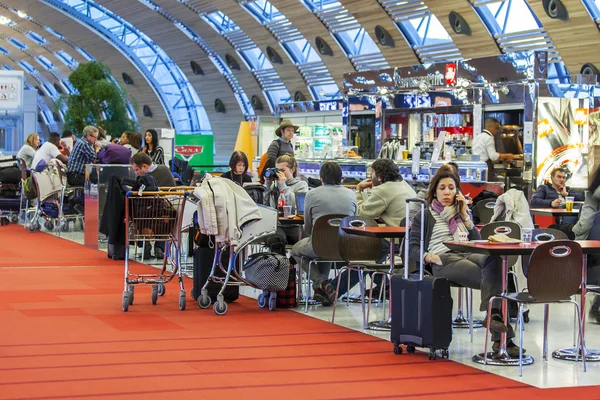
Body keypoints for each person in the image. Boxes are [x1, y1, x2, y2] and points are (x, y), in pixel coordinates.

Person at [410, 168, 522, 356]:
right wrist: (430, 257)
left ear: (458, 192)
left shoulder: (461, 212)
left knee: (494, 261)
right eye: (442, 188)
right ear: (434, 191)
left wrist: (466, 217)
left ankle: (493, 316)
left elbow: (476, 241)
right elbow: (412, 247)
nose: (447, 192)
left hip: (467, 252)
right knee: (495, 279)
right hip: (444, 258)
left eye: (451, 188)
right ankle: (502, 337)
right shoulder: (425, 215)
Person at [334, 159, 417, 299]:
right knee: (374, 256)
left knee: (366, 255)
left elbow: (362, 214)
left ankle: (333, 289)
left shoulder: (383, 190)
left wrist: (359, 190)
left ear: (379, 176)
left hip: (396, 239)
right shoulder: (404, 185)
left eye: (371, 172)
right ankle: (385, 286)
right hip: (409, 237)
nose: (370, 175)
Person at [291, 162, 357, 306]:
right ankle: (323, 292)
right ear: (341, 177)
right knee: (326, 246)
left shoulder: (312, 194)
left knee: (296, 250)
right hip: (345, 246)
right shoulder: (351, 194)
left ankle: (320, 282)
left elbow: (308, 227)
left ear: (321, 178)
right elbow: (354, 221)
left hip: (319, 244)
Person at [130, 152, 176, 259]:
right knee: (162, 216)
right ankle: (159, 246)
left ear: (144, 166)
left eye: (137, 169)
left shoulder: (145, 178)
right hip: (166, 213)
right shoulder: (165, 169)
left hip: (147, 215)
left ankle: (145, 242)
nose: (136, 173)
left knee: (139, 213)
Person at [264, 154, 308, 246]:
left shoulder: (301, 185)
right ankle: (280, 260)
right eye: (277, 170)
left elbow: (294, 207)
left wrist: (283, 186)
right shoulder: (274, 186)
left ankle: (294, 260)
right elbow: (265, 205)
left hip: (295, 226)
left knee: (308, 242)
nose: (280, 174)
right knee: (276, 241)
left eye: (283, 170)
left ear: (292, 170)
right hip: (277, 225)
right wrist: (267, 185)